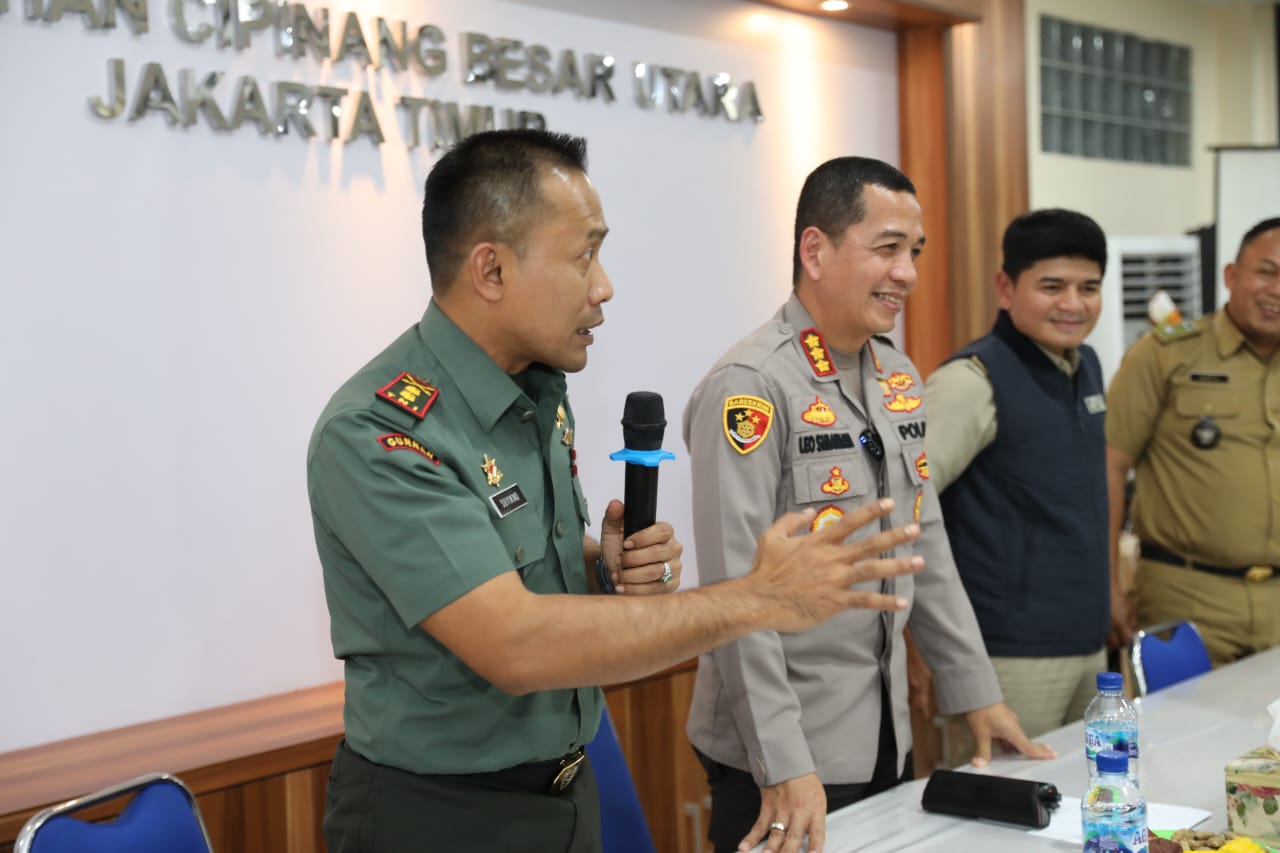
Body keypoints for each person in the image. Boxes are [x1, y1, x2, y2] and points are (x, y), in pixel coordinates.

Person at [306, 130, 926, 853]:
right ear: (491, 269)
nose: (603, 286)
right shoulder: (380, 431)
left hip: (568, 793)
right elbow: (515, 643)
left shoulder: (537, 395)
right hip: (439, 817)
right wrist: (761, 597)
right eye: (584, 256)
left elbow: (514, 567)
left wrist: (605, 569)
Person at [682, 156, 1052, 853]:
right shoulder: (751, 386)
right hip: (782, 757)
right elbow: (735, 597)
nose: (906, 272)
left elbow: (923, 542)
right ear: (814, 250)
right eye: (887, 248)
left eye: (914, 251)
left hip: (884, 738)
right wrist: (783, 762)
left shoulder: (896, 374)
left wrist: (974, 690)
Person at [922, 208, 1111, 745]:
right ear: (1006, 288)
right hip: (1007, 657)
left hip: (1088, 643)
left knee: (1094, 788)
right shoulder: (970, 379)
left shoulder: (1086, 364)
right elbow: (910, 505)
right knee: (1009, 795)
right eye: (1052, 286)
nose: (1073, 304)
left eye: (1089, 287)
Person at [1106, 216, 1280, 667]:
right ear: (1231, 275)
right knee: (1184, 715)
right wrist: (1108, 584)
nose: (1277, 290)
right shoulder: (1165, 355)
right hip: (1189, 597)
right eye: (1267, 272)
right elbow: (1108, 466)